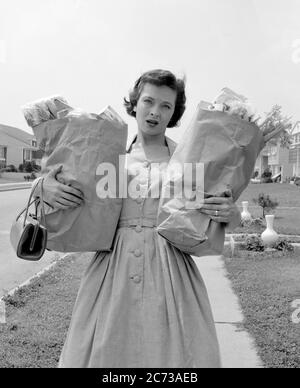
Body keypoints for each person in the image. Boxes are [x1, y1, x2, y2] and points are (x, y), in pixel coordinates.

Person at [35, 69, 277, 368]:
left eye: (166, 106)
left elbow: (206, 215)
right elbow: (73, 199)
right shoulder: (105, 153)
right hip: (111, 271)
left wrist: (230, 215)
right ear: (135, 103)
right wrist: (43, 186)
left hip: (172, 270)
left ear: (174, 113)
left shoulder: (189, 159)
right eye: (149, 101)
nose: (155, 112)